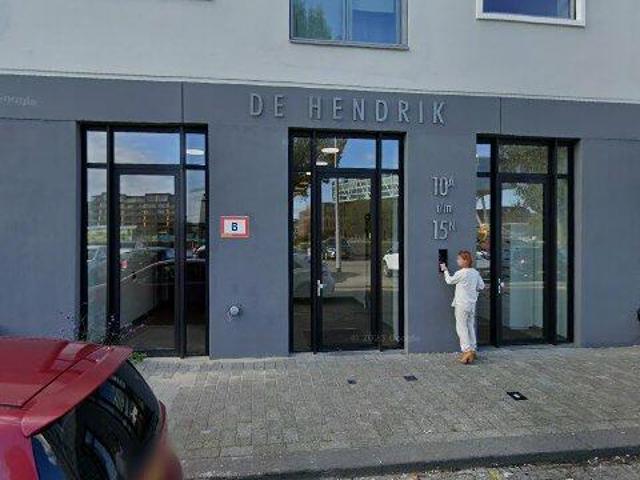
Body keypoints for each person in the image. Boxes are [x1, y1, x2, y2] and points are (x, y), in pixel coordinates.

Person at [440, 250, 485, 364]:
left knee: (461, 327)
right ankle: (473, 349)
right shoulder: (475, 273)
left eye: (459, 259)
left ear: (465, 260)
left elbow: (449, 281)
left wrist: (445, 270)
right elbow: (481, 286)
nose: (457, 261)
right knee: (470, 326)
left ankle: (466, 350)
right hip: (471, 304)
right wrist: (472, 292)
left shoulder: (461, 273)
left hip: (461, 304)